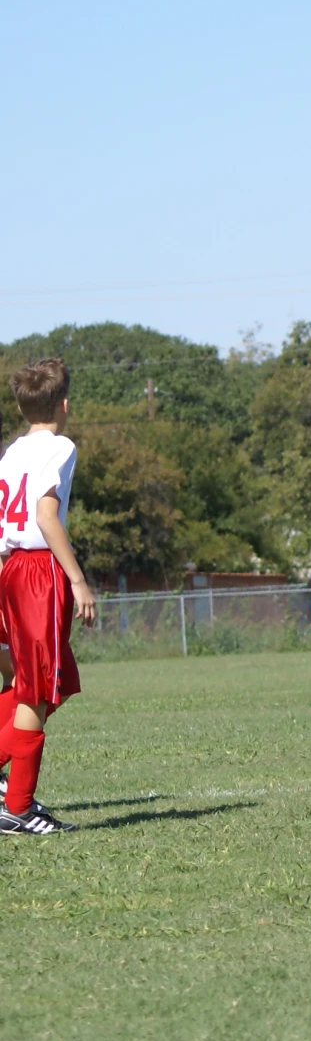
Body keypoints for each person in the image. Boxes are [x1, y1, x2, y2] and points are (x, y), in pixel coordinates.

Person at [0, 358, 97, 836]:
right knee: (37, 690)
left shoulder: (11, 452)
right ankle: (17, 808)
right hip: (41, 570)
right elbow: (45, 516)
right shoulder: (60, 446)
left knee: (48, 682)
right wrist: (77, 578)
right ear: (64, 404)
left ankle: (12, 790)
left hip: (12, 568)